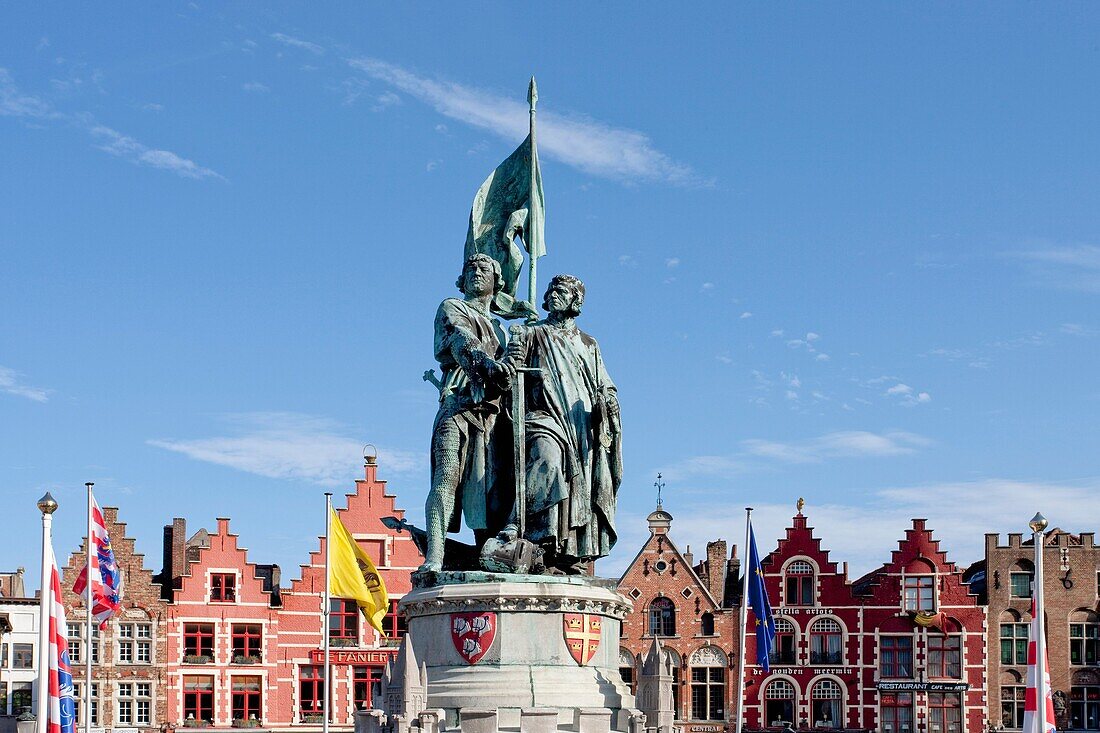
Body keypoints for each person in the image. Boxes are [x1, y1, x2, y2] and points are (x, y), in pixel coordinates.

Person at [502, 274, 621, 572]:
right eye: (551, 289)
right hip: (543, 416)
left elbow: (605, 384)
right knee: (547, 459)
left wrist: (607, 401)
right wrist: (512, 355)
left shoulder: (589, 343)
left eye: (563, 290)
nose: (554, 294)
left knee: (580, 485)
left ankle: (564, 553)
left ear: (576, 301)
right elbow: (508, 374)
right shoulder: (532, 333)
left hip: (580, 423)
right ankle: (520, 527)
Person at [420, 254, 514, 573]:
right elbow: (461, 340)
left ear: (496, 281)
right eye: (469, 268)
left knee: (488, 494)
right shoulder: (453, 307)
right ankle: (435, 556)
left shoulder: (504, 334)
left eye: (483, 268)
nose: (475, 272)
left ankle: (485, 558)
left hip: (493, 417)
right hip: (457, 403)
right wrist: (489, 366)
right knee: (446, 476)